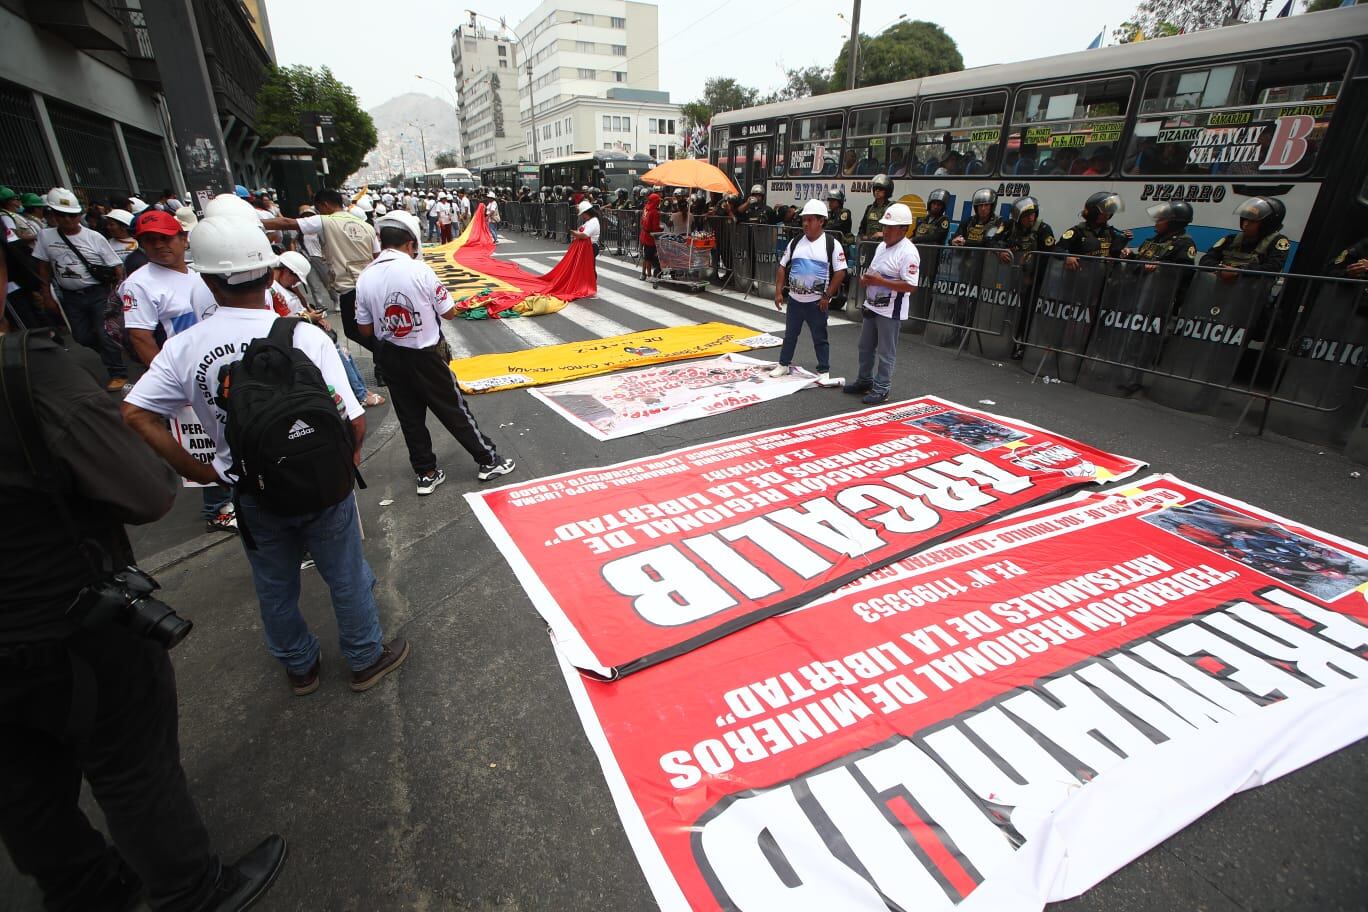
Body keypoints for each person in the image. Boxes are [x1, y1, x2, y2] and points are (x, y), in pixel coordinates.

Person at [0, 307, 287, 912]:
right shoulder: (31, 372)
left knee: (21, 785)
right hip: (66, 621)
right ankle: (192, 891)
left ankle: (85, 889)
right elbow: (146, 490)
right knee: (130, 766)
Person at [121, 215, 411, 695]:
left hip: (250, 490)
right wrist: (345, 462)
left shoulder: (183, 347)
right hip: (322, 483)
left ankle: (300, 668)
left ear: (208, 279)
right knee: (346, 574)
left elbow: (136, 414)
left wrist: (201, 469)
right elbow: (354, 419)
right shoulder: (304, 335)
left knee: (275, 584)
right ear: (267, 272)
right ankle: (364, 657)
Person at [355, 211, 514, 494]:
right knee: (454, 410)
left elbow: (364, 330)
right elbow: (449, 312)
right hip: (425, 354)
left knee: (410, 418)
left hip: (390, 357)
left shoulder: (365, 277)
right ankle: (489, 460)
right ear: (411, 243)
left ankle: (426, 473)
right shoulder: (420, 271)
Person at [118, 209, 240, 533]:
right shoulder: (140, 284)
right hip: (188, 373)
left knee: (228, 432)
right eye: (149, 240)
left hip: (218, 364)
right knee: (205, 440)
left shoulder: (199, 273)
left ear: (183, 238)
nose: (159, 246)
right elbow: (141, 337)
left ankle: (235, 495)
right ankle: (218, 508)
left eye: (165, 238)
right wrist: (175, 380)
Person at [259, 189, 381, 369]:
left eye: (318, 208)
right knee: (370, 328)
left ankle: (386, 358)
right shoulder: (366, 225)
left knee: (354, 330)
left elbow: (287, 222)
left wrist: (252, 223)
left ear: (325, 205)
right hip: (371, 284)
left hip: (351, 288)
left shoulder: (326, 221)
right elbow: (376, 255)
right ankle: (384, 361)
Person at [32, 187, 128, 391]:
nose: (67, 220)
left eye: (72, 215)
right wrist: (46, 294)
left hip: (98, 292)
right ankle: (110, 353)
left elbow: (116, 266)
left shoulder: (94, 237)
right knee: (81, 336)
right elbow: (43, 267)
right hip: (70, 295)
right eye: (62, 215)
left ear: (79, 215)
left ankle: (117, 371)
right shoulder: (45, 237)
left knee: (105, 333)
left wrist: (117, 293)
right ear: (53, 215)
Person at [272, 251, 384, 410]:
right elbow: (280, 320)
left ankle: (362, 391)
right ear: (286, 271)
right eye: (295, 278)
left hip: (305, 331)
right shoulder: (273, 291)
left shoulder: (285, 287)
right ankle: (361, 395)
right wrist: (310, 318)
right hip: (294, 338)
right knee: (339, 354)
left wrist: (314, 316)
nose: (296, 282)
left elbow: (301, 307)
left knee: (344, 352)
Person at [843, 202, 919, 405]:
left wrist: (880, 282)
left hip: (890, 311)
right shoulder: (882, 247)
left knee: (886, 352)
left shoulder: (908, 252)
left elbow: (911, 285)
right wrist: (866, 280)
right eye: (884, 226)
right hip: (873, 306)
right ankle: (864, 380)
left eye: (890, 227)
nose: (885, 231)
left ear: (903, 229)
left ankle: (882, 388)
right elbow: (873, 272)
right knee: (865, 347)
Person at [771, 199, 847, 378]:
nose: (805, 223)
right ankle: (783, 364)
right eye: (804, 219)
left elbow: (840, 272)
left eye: (810, 219)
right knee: (790, 335)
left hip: (816, 303)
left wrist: (827, 296)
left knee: (820, 337)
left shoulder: (832, 244)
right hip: (796, 301)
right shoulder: (796, 242)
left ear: (821, 221)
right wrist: (778, 292)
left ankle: (823, 369)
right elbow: (782, 266)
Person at [1200, 197, 1291, 279]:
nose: (1246, 224)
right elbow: (1205, 260)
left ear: (1268, 223)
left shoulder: (1277, 242)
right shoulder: (1231, 239)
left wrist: (1238, 272)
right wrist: (1220, 269)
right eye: (1245, 219)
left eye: (1252, 221)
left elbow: (1273, 268)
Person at [1061, 191, 1132, 271]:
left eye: (1109, 212)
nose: (1107, 215)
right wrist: (1067, 256)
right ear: (1094, 213)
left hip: (1100, 277)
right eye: (1104, 212)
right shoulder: (1077, 231)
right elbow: (1058, 248)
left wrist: (1125, 250)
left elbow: (1114, 253)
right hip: (1078, 276)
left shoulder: (1110, 232)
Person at [994, 196, 1056, 273]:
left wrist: (1031, 275)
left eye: (1032, 214)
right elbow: (992, 240)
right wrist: (999, 251)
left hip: (1034, 274)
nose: (1030, 218)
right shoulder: (1008, 225)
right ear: (1018, 217)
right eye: (1026, 215)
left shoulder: (1044, 229)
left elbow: (1049, 254)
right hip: (1009, 271)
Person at [1135, 202, 1199, 270]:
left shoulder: (1185, 243)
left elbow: (1185, 270)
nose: (1157, 222)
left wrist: (1161, 266)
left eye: (1161, 219)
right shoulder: (1156, 239)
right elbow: (1142, 259)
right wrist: (1130, 256)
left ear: (1173, 223)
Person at [639, 191, 662, 280]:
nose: (659, 202)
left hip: (643, 234)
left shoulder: (646, 208)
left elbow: (642, 221)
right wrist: (661, 228)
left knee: (646, 256)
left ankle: (643, 274)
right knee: (649, 257)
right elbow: (655, 227)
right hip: (650, 237)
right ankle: (649, 275)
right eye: (658, 201)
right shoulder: (654, 212)